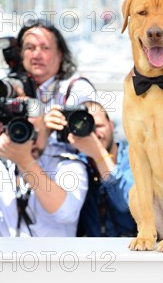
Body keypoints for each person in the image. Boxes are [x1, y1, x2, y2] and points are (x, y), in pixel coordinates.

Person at [0, 107, 88, 237]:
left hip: (49, 257)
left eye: (33, 135)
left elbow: (66, 212)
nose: (29, 143)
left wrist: (25, 162)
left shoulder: (67, 163)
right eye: (20, 132)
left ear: (46, 131)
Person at [44, 101, 137, 237]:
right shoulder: (74, 164)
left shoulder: (133, 155)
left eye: (98, 126)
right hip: (92, 253)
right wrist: (43, 132)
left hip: (134, 250)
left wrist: (99, 155)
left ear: (111, 125)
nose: (94, 135)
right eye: (87, 127)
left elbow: (127, 204)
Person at [16, 18, 95, 109]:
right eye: (30, 48)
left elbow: (99, 121)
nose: (36, 55)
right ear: (20, 54)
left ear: (60, 54)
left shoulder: (77, 89)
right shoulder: (11, 88)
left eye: (45, 48)